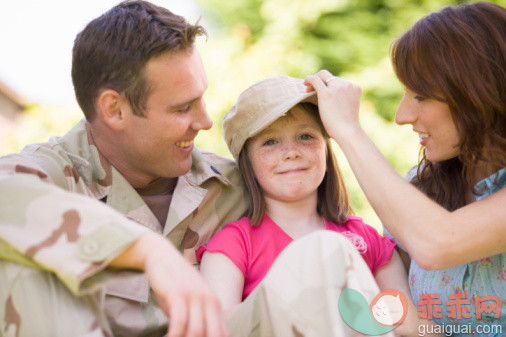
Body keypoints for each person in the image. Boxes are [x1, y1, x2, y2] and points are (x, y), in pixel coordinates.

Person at [0, 1, 247, 336]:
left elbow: (336, 238)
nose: (205, 121)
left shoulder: (236, 187)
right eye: (183, 107)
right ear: (115, 110)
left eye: (201, 99)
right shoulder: (52, 174)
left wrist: (344, 131)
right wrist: (147, 249)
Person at [304, 2, 505, 335]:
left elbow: (437, 244)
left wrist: (349, 131)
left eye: (420, 96)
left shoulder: (427, 224)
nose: (401, 116)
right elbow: (401, 318)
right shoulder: (420, 187)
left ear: (477, 93)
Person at [198, 75, 436, 337]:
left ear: (326, 149)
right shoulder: (233, 244)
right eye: (270, 141)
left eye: (305, 136)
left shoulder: (366, 239)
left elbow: (410, 326)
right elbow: (219, 329)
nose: (291, 152)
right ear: (247, 162)